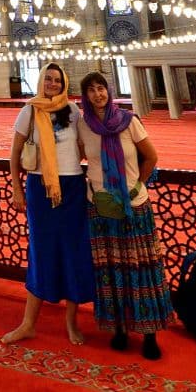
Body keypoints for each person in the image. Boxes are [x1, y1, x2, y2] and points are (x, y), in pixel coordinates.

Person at [77, 71, 171, 359]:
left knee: (140, 267)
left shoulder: (129, 122)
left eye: (101, 88)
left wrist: (135, 187)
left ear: (109, 90)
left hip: (134, 206)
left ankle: (149, 333)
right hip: (101, 207)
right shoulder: (84, 125)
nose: (98, 94)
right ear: (85, 96)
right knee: (109, 270)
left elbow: (151, 157)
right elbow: (80, 157)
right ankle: (118, 328)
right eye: (91, 90)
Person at [2, 63, 93, 346]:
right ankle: (28, 324)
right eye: (49, 79)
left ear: (64, 83)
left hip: (72, 188)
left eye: (57, 80)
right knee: (41, 254)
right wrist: (17, 188)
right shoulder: (30, 110)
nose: (53, 83)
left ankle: (71, 323)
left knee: (73, 253)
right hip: (40, 189)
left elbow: (84, 147)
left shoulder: (74, 111)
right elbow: (15, 152)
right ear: (41, 81)